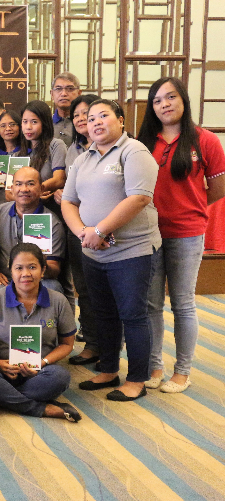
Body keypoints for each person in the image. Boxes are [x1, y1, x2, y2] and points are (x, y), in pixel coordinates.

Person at [61, 99, 161, 401]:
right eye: (90, 119)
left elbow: (139, 198)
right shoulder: (83, 159)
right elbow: (68, 201)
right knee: (103, 313)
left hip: (132, 251)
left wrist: (101, 230)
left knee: (132, 315)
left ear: (120, 120)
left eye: (103, 116)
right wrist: (83, 233)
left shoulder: (134, 152)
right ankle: (107, 369)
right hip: (93, 252)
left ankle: (137, 379)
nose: (96, 122)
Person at [139, 77, 225, 393]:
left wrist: (193, 207)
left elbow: (218, 188)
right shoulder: (145, 141)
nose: (165, 104)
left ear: (183, 100)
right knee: (150, 304)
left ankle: (182, 371)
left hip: (187, 233)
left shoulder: (205, 140)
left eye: (171, 97)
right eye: (158, 100)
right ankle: (154, 366)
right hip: (149, 232)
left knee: (183, 303)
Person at [0, 243, 81, 422]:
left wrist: (43, 362)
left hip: (40, 373)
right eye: (19, 268)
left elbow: (67, 344)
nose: (26, 274)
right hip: (2, 372)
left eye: (32, 267)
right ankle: (42, 408)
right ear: (10, 271)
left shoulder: (58, 301)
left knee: (60, 377)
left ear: (43, 270)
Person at [54, 94, 100, 366]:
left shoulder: (117, 149)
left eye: (88, 114)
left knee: (103, 289)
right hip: (76, 228)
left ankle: (108, 344)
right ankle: (93, 343)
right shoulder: (71, 149)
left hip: (104, 230)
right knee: (83, 287)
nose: (82, 119)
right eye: (77, 116)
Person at [0, 167, 66, 299]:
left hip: (38, 279)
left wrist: (40, 264)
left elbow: (55, 269)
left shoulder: (52, 222)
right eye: (18, 184)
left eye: (30, 184)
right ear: (11, 188)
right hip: (5, 279)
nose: (24, 189)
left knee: (53, 288)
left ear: (41, 188)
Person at [20, 100, 67, 208]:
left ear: (44, 123)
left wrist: (33, 191)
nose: (28, 127)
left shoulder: (56, 145)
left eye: (34, 122)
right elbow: (9, 192)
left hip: (50, 207)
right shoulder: (19, 152)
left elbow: (59, 179)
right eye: (25, 121)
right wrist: (32, 194)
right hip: (24, 209)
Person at [50, 72, 82, 147]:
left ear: (79, 93)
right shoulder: (45, 124)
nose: (64, 94)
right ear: (52, 94)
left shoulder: (85, 124)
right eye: (58, 89)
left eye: (70, 89)